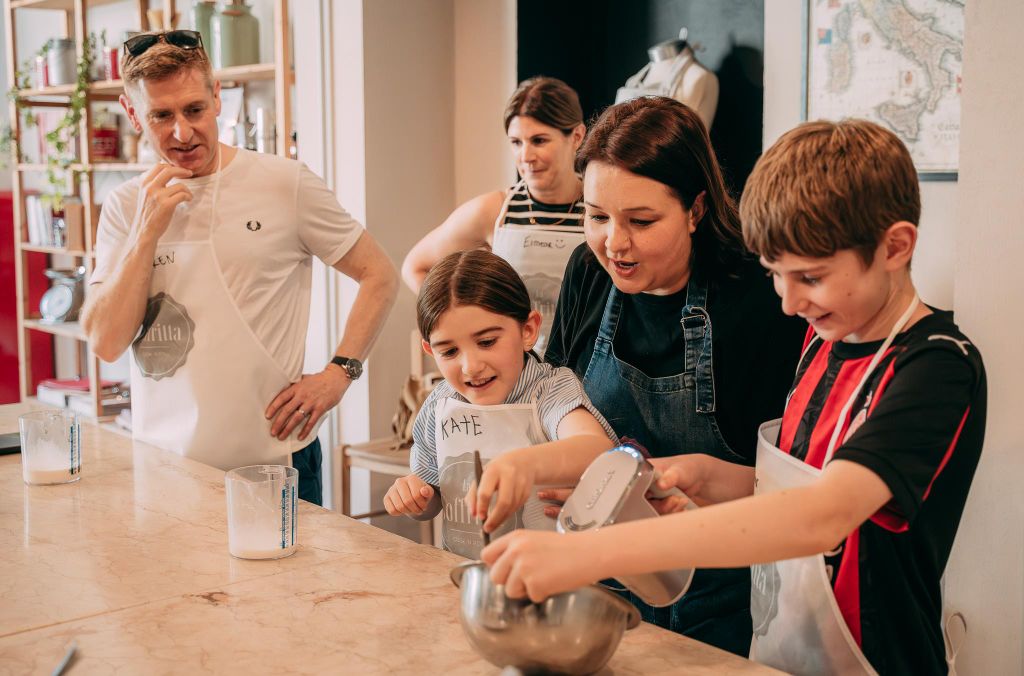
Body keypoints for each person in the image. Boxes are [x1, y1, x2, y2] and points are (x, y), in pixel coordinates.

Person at [483, 119, 987, 675]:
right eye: (776, 275)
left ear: (895, 247)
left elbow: (823, 516)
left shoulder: (937, 365)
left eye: (811, 278)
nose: (790, 303)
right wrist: (705, 479)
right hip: (780, 653)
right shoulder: (828, 344)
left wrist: (586, 553)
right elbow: (784, 489)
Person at [80, 31, 398, 506]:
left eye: (194, 110)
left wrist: (338, 374)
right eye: (161, 116)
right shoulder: (127, 206)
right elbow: (106, 342)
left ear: (217, 97)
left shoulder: (283, 183)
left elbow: (380, 274)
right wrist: (146, 232)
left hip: (275, 463)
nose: (182, 133)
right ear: (132, 114)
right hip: (163, 468)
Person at [536, 96, 805, 655]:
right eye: (596, 216)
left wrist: (695, 481)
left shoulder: (757, 298)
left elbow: (791, 487)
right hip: (603, 576)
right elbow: (554, 397)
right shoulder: (589, 271)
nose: (614, 243)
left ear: (696, 209)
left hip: (725, 588)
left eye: (640, 221)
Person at [382, 250, 616, 559]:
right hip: (467, 577)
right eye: (450, 351)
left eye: (487, 342)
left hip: (550, 578)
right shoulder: (439, 405)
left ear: (528, 330)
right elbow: (435, 495)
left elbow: (597, 449)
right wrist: (416, 499)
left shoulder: (549, 390)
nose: (470, 366)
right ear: (429, 350)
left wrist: (522, 464)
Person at [401, 77, 586, 354]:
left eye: (539, 140)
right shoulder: (495, 211)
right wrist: (461, 326)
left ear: (577, 137)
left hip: (587, 372)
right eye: (516, 142)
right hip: (516, 373)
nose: (526, 156)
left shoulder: (600, 208)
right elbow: (415, 265)